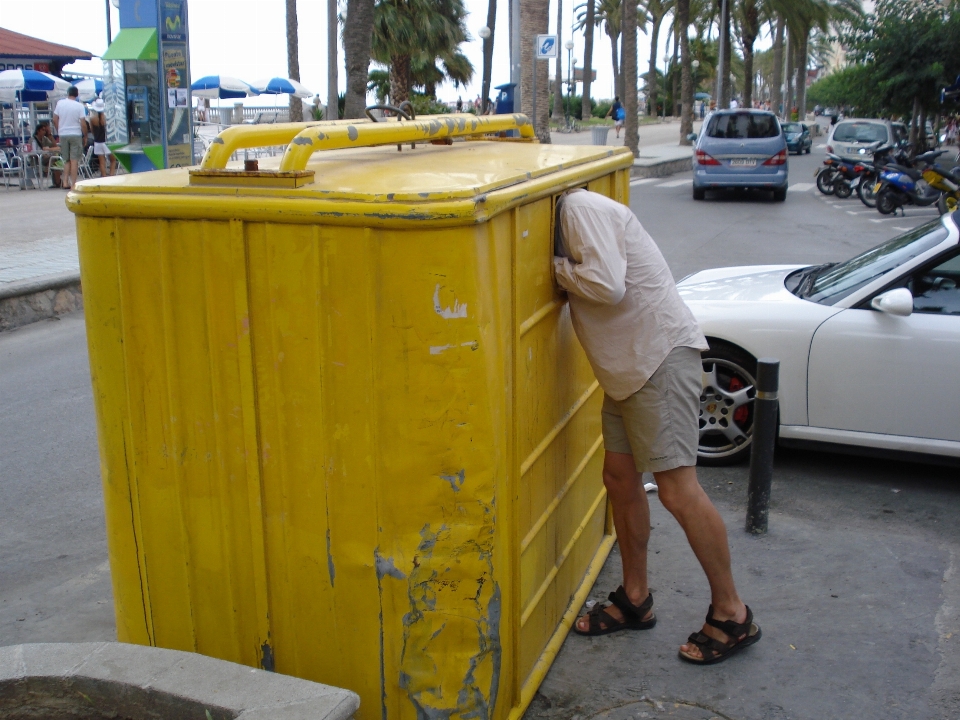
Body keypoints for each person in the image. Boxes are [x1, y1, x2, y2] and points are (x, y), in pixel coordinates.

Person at [553, 188, 761, 665]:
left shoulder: (579, 209)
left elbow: (606, 286)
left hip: (657, 360)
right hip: (626, 369)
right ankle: (635, 599)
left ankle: (732, 613)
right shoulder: (569, 215)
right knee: (620, 479)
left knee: (677, 491)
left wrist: (552, 269)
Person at [53, 86, 89, 189]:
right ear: (77, 95)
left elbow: (55, 119)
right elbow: (83, 123)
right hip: (75, 134)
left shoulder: (60, 103)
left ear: (67, 93)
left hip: (63, 134)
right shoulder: (79, 106)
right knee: (74, 160)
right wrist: (85, 135)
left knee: (66, 159)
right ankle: (73, 184)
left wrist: (59, 129)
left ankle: (65, 182)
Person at [88, 99, 117, 177]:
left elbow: (92, 130)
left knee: (102, 161)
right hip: (107, 141)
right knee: (113, 160)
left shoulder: (92, 118)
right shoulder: (107, 118)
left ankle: (104, 176)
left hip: (97, 141)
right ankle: (111, 175)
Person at [32, 121, 61, 187]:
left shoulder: (45, 139)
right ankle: (57, 181)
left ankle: (57, 182)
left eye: (45, 130)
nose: (44, 132)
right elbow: (34, 152)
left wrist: (49, 134)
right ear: (38, 131)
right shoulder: (33, 139)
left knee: (55, 161)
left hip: (46, 158)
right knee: (54, 159)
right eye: (43, 130)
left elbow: (55, 146)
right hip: (37, 159)